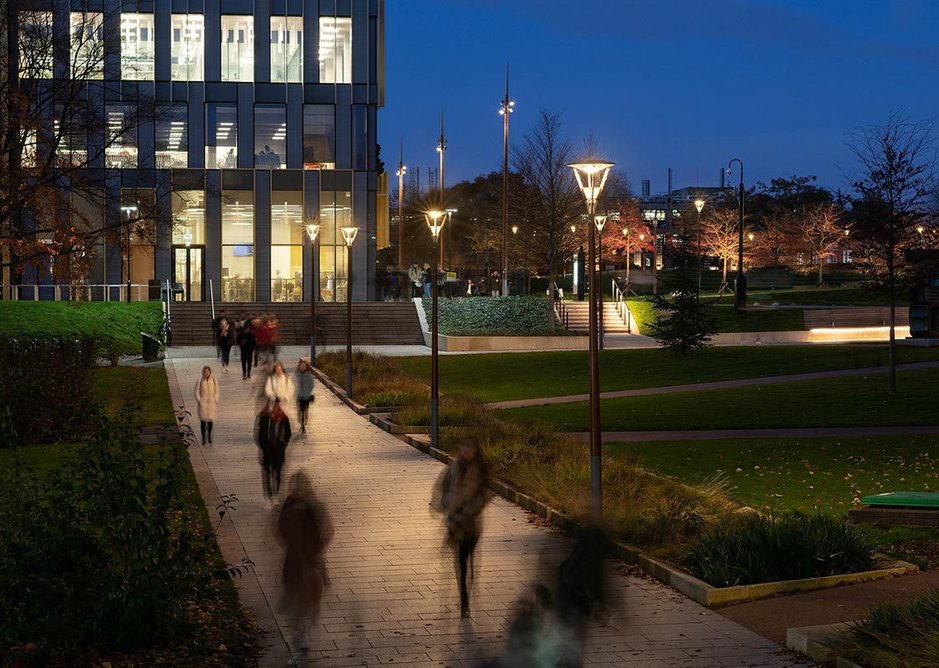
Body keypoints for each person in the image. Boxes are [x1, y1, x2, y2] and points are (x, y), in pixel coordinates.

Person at [275, 472, 334, 657]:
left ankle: (303, 629)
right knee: (298, 595)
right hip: (296, 557)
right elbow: (280, 528)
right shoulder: (290, 505)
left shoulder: (315, 506)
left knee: (309, 597)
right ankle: (300, 630)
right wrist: (290, 544)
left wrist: (318, 549)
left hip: (310, 558)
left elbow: (329, 530)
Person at [432, 439, 491, 618]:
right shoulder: (452, 469)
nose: (465, 453)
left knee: (470, 559)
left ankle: (468, 589)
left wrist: (469, 510)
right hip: (455, 523)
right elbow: (440, 489)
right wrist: (444, 506)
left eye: (469, 449)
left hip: (472, 524)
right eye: (463, 449)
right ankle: (464, 599)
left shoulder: (480, 472)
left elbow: (484, 496)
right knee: (460, 561)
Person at [256, 400, 291, 498]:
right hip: (268, 449)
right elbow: (260, 436)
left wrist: (283, 444)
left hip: (279, 450)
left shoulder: (284, 418)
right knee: (267, 471)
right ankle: (269, 493)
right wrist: (263, 448)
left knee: (278, 471)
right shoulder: (264, 418)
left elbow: (288, 433)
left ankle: (277, 491)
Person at [194, 365, 219, 445]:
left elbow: (217, 391)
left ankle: (209, 437)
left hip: (211, 404)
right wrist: (199, 400)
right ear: (203, 372)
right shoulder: (200, 381)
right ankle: (203, 438)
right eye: (205, 372)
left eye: (208, 372)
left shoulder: (214, 380)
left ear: (210, 372)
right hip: (203, 404)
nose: (206, 373)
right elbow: (196, 391)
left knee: (210, 422)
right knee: (203, 422)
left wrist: (215, 399)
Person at [295, 359, 314, 435]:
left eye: (304, 366)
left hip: (306, 396)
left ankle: (304, 424)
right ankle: (300, 422)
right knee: (299, 411)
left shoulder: (309, 376)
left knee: (306, 411)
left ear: (306, 367)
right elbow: (294, 384)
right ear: (299, 367)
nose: (302, 367)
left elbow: (311, 386)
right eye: (301, 366)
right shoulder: (297, 375)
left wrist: (308, 393)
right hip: (299, 396)